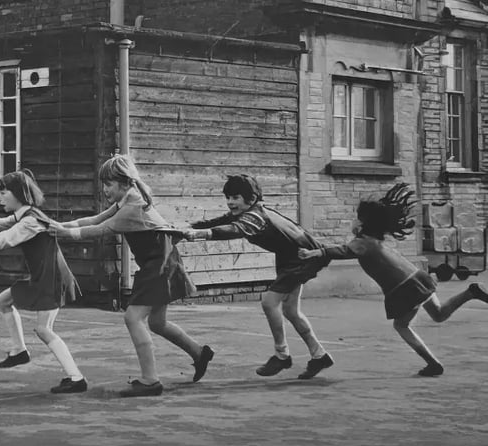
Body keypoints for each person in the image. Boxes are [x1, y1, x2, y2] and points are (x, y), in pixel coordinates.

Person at [49, 154, 214, 397]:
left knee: (133, 318)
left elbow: (99, 230)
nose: (104, 189)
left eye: (108, 184)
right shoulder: (128, 199)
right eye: (103, 184)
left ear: (124, 182)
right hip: (160, 262)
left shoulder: (132, 207)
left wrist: (63, 233)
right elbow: (96, 218)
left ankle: (150, 381)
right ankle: (200, 353)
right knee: (157, 323)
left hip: (160, 265)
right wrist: (61, 225)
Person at [298, 183, 488, 377]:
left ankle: (433, 363)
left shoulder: (362, 243)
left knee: (401, 326)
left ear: (363, 223)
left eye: (357, 218)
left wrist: (315, 252)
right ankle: (470, 292)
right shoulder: (373, 239)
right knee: (438, 314)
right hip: (417, 276)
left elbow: (341, 251)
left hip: (403, 288)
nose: (353, 221)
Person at [182, 174, 333, 380]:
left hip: (301, 258)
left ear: (251, 199)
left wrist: (202, 234)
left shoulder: (255, 217)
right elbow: (221, 221)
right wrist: (190, 228)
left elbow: (235, 229)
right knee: (291, 311)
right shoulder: (250, 211)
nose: (230, 202)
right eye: (227, 197)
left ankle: (281, 355)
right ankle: (319, 355)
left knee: (269, 302)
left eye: (235, 197)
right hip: (293, 257)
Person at [0, 169, 86, 394]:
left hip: (50, 278)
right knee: (4, 300)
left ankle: (76, 378)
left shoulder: (30, 221)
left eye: (3, 193)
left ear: (18, 194)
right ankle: (19, 351)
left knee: (44, 330)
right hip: (42, 275)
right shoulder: (25, 214)